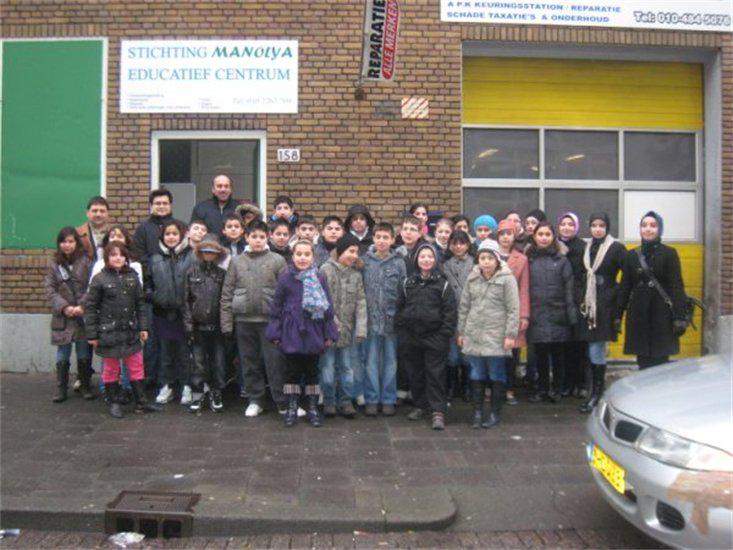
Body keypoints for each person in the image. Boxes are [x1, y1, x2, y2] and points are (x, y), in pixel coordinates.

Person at [266, 240, 339, 427]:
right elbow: (276, 306)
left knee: (312, 372)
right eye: (299, 254)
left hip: (314, 330)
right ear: (293, 256)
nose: (302, 258)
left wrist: (329, 333)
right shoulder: (285, 278)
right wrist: (275, 332)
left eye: (307, 254)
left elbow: (328, 308)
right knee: (291, 372)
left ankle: (312, 407)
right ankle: (292, 406)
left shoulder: (320, 277)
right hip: (292, 332)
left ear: (313, 257)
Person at [220, 220, 289, 417]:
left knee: (275, 363)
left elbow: (286, 294)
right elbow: (227, 293)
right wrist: (226, 323)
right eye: (253, 237)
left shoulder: (277, 260)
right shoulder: (237, 262)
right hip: (244, 321)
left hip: (270, 321)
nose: (257, 240)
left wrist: (284, 322)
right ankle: (255, 399)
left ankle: (281, 400)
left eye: (261, 237)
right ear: (246, 237)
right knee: (249, 362)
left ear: (267, 237)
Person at [85, 243, 160, 418]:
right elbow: (90, 308)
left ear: (126, 257)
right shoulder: (99, 279)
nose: (117, 258)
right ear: (107, 258)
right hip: (108, 333)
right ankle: (114, 402)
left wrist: (143, 327)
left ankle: (141, 402)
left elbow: (140, 305)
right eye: (113, 255)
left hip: (130, 331)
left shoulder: (133, 277)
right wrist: (92, 334)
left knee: (136, 366)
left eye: (121, 255)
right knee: (111, 369)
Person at [457, 239, 519, 428]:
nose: (485, 262)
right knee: (476, 373)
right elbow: (464, 306)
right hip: (474, 333)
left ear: (497, 259)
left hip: (496, 335)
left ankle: (494, 413)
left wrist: (510, 335)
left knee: (496, 374)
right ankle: (477, 412)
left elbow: (513, 309)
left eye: (490, 258)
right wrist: (461, 331)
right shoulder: (472, 278)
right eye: (482, 258)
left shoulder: (507, 278)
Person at [396, 242, 457, 431]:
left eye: (430, 256)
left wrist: (443, 335)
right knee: (416, 374)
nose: (426, 260)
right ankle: (421, 405)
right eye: (422, 256)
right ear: (416, 260)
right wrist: (404, 333)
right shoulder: (407, 283)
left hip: (435, 338)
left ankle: (437, 411)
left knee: (435, 375)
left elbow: (450, 313)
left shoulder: (443, 284)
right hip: (412, 337)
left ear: (435, 260)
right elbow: (400, 309)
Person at [616, 211, 687, 370]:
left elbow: (677, 285)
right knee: (643, 360)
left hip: (662, 315)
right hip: (639, 314)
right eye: (644, 225)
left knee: (661, 361)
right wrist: (617, 315)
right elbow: (625, 286)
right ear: (640, 229)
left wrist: (679, 316)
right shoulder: (631, 255)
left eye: (653, 226)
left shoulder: (669, 253)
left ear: (659, 229)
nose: (648, 229)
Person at [578, 213, 627, 413]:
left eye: (602, 225)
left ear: (608, 227)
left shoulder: (616, 248)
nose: (598, 229)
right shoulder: (587, 247)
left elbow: (628, 275)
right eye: (594, 225)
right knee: (589, 348)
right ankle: (594, 390)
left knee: (596, 349)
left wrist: (613, 293)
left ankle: (597, 394)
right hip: (588, 304)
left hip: (604, 306)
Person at [526, 222, 576, 403]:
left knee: (557, 356)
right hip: (536, 314)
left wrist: (570, 315)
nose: (544, 238)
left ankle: (557, 389)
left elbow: (569, 289)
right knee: (540, 355)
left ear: (553, 237)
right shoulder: (528, 260)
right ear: (534, 236)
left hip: (558, 314)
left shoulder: (562, 260)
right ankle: (542, 389)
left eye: (548, 234)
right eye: (540, 234)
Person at [319, 234, 367, 418]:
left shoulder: (356, 275)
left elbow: (361, 302)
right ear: (340, 251)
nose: (354, 255)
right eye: (350, 251)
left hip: (348, 333)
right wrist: (333, 323)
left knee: (347, 368)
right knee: (328, 367)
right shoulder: (325, 270)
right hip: (329, 332)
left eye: (356, 252)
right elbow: (322, 301)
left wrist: (361, 328)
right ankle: (329, 400)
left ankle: (346, 401)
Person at [148, 220, 195, 405]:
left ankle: (186, 386)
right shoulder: (155, 258)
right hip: (162, 313)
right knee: (165, 352)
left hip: (184, 314)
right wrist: (155, 297)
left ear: (182, 235)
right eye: (167, 234)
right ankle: (166, 385)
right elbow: (148, 283)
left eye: (175, 233)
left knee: (185, 353)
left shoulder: (191, 256)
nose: (171, 237)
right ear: (162, 237)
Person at [362, 222, 406, 417]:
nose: (381, 241)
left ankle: (388, 398)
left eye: (385, 237)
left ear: (392, 240)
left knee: (390, 361)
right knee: (370, 361)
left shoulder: (399, 262)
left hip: (391, 321)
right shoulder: (365, 261)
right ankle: (372, 398)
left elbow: (403, 292)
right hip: (370, 321)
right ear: (373, 238)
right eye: (378, 236)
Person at [45, 227, 93, 402]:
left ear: (77, 243)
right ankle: (61, 389)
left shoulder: (86, 261)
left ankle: (85, 385)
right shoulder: (54, 264)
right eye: (64, 242)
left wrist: (81, 306)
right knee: (62, 352)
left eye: (71, 241)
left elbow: (91, 286)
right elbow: (50, 289)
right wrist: (64, 307)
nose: (67, 245)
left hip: (81, 315)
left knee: (83, 352)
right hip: (63, 316)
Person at [183, 233, 229, 413]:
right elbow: (185, 301)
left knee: (218, 362)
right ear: (200, 253)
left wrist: (226, 326)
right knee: (198, 363)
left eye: (212, 252)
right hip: (197, 326)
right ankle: (197, 393)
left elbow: (226, 301)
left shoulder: (223, 274)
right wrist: (188, 326)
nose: (209, 255)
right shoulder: (191, 272)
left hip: (217, 326)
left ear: (218, 254)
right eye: (205, 252)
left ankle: (216, 392)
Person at [496, 219, 530, 406]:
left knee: (512, 354)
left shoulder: (521, 259)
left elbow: (523, 289)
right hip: (492, 312)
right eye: (502, 234)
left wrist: (523, 315)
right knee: (493, 353)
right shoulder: (488, 255)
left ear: (514, 235)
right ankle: (493, 387)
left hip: (512, 312)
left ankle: (509, 388)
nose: (505, 237)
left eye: (509, 233)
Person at [557, 212, 588, 398]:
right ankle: (566, 384)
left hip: (578, 300)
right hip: (559, 300)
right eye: (563, 224)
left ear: (576, 227)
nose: (566, 227)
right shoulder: (555, 246)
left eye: (570, 224)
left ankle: (582, 383)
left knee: (579, 344)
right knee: (564, 346)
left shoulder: (583, 247)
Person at [443, 230, 474, 402]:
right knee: (452, 355)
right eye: (454, 243)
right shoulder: (445, 265)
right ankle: (451, 386)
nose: (458, 246)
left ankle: (467, 386)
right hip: (452, 314)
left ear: (468, 245)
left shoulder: (475, 263)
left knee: (467, 355)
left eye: (461, 243)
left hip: (470, 314)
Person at [76, 196, 110, 262]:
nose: (98, 214)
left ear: (107, 214)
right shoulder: (77, 234)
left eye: (102, 211)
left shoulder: (115, 234)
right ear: (87, 213)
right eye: (94, 211)